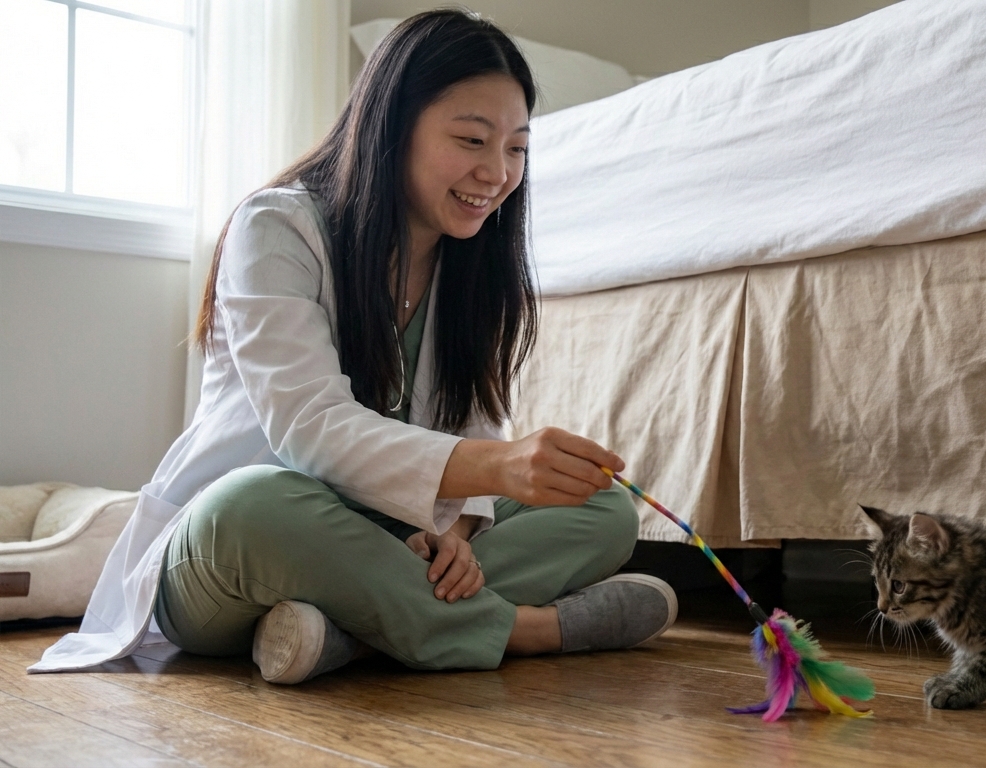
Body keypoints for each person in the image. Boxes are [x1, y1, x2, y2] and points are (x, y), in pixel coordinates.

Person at [30, 10, 676, 683]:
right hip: (237, 552)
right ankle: (525, 630)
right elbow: (310, 429)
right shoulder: (275, 227)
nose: (496, 172)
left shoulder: (472, 263)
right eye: (471, 140)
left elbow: (473, 422)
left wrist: (455, 535)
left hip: (380, 538)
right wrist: (500, 467)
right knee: (248, 505)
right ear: (393, 127)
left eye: (516, 148)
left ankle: (349, 631)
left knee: (601, 507)